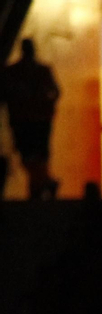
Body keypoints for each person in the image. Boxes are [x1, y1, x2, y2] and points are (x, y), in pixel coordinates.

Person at [2, 40, 60, 199]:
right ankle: (43, 183)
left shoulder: (13, 72)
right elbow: (55, 92)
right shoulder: (41, 70)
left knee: (29, 156)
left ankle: (40, 184)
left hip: (24, 120)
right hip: (37, 119)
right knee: (37, 156)